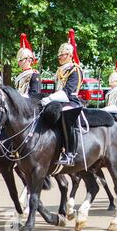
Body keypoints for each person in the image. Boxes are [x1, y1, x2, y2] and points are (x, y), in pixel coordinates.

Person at [41, 29, 83, 166]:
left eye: (62, 54)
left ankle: (70, 153)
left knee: (65, 115)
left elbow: (67, 92)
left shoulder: (75, 69)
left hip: (71, 101)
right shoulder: (59, 70)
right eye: (59, 55)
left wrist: (50, 98)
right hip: (59, 101)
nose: (59, 57)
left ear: (70, 55)